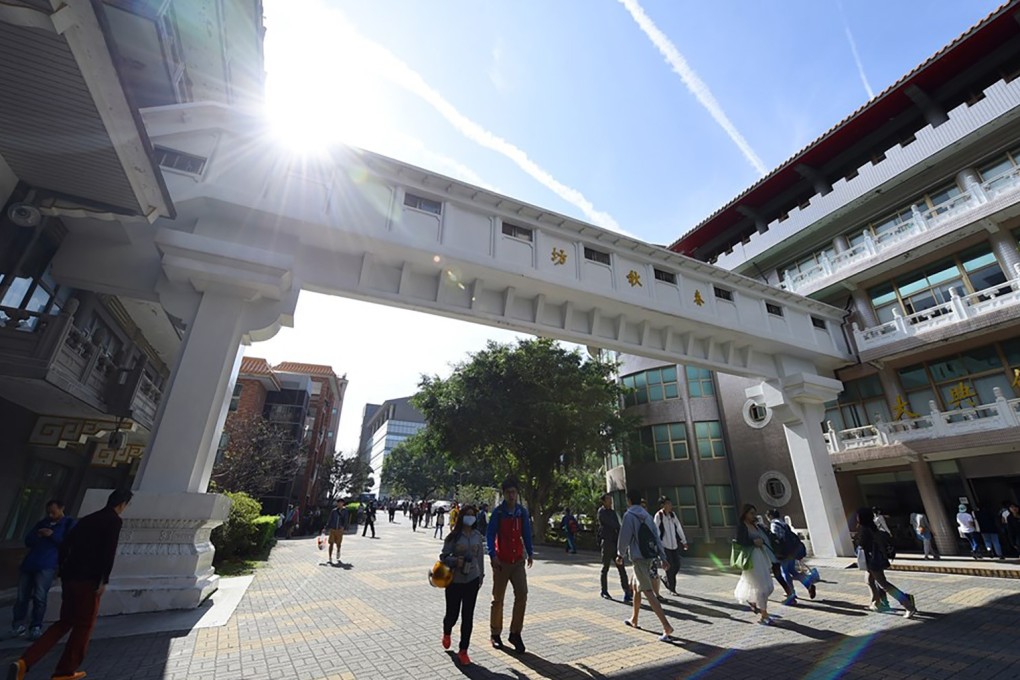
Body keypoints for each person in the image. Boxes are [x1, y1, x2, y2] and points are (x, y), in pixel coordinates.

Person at [9, 488, 133, 680]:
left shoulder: (88, 519)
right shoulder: (113, 520)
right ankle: (65, 671)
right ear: (123, 504)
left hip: (70, 578)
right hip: (89, 580)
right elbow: (108, 552)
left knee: (64, 622)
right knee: (84, 626)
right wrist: (103, 580)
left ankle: (24, 662)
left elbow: (66, 545)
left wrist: (63, 571)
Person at [6, 500, 75, 642]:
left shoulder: (68, 524)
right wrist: (39, 534)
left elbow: (68, 544)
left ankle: (35, 626)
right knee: (21, 597)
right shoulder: (42, 522)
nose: (51, 514)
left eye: (53, 512)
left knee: (39, 596)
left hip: (47, 564)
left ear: (62, 508)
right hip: (30, 563)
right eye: (49, 511)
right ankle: (18, 625)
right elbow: (28, 540)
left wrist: (52, 535)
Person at [617, 490, 673, 641]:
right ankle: (634, 619)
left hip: (638, 558)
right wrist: (663, 557)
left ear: (629, 501)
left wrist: (620, 554)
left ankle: (666, 627)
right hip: (649, 556)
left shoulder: (629, 515)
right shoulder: (647, 516)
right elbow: (656, 537)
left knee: (647, 591)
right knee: (636, 588)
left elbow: (624, 537)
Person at [487, 477, 533, 654]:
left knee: (522, 594)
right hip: (501, 561)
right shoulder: (498, 513)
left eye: (514, 492)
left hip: (518, 561)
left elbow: (526, 533)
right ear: (504, 494)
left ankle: (515, 633)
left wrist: (529, 552)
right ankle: (495, 632)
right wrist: (492, 555)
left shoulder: (522, 512)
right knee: (497, 598)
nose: (512, 495)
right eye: (508, 493)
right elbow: (490, 535)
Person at [439, 504, 485, 666]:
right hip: (454, 581)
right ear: (462, 517)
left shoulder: (477, 536)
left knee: (468, 616)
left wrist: (481, 576)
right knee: (452, 613)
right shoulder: (453, 537)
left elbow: (480, 557)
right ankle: (447, 631)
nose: (470, 517)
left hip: (472, 579)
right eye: (468, 514)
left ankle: (463, 650)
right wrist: (454, 561)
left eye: (473, 515)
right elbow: (443, 556)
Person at [857, 507, 917, 618]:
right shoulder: (871, 527)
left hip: (872, 561)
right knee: (869, 580)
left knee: (883, 584)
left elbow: (863, 545)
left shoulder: (865, 529)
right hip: (872, 560)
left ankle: (908, 605)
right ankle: (877, 603)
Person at [734, 504, 777, 625]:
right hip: (751, 558)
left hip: (761, 556)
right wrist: (753, 542)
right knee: (761, 587)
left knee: (768, 586)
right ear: (745, 513)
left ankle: (754, 601)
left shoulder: (756, 525)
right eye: (751, 513)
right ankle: (764, 614)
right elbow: (740, 541)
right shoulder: (742, 527)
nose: (753, 515)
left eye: (754, 513)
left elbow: (766, 538)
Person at [767, 509, 817, 600]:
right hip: (791, 550)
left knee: (785, 572)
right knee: (793, 571)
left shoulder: (774, 524)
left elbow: (777, 538)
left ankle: (791, 592)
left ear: (770, 516)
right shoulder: (783, 523)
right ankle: (808, 584)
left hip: (783, 552)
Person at [597, 494, 631, 602]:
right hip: (607, 542)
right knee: (605, 568)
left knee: (621, 568)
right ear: (603, 501)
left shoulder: (612, 512)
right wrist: (616, 527)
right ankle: (604, 590)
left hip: (615, 542)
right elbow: (611, 524)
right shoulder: (601, 512)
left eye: (611, 500)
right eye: (608, 500)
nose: (610, 502)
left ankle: (627, 591)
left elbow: (617, 524)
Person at [653, 496, 687, 596]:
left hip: (674, 545)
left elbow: (678, 527)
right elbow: (656, 531)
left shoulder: (672, 515)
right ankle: (672, 589)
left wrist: (683, 540)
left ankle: (667, 579)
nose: (670, 506)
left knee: (677, 565)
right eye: (667, 504)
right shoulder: (659, 515)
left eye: (670, 503)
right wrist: (658, 545)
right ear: (662, 505)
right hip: (665, 545)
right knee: (669, 567)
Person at [326, 500, 350, 564]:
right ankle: (330, 557)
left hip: (339, 530)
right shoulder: (334, 511)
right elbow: (330, 519)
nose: (339, 504)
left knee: (338, 544)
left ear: (343, 504)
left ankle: (338, 551)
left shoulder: (345, 511)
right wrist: (326, 527)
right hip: (333, 529)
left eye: (341, 503)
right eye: (338, 503)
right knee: (331, 543)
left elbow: (346, 520)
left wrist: (344, 528)